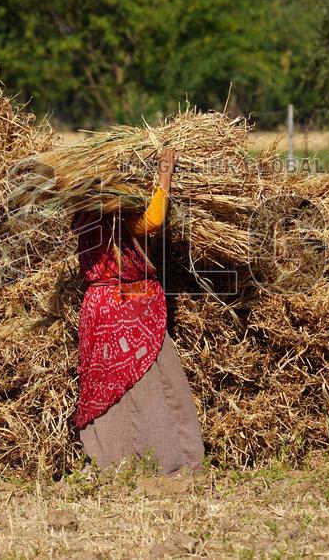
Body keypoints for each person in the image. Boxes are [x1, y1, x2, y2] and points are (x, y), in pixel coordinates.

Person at [70, 148, 205, 475]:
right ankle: (169, 461)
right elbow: (154, 221)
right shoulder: (115, 213)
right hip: (129, 306)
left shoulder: (83, 215)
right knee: (155, 382)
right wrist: (164, 176)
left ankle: (109, 462)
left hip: (98, 308)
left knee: (106, 386)